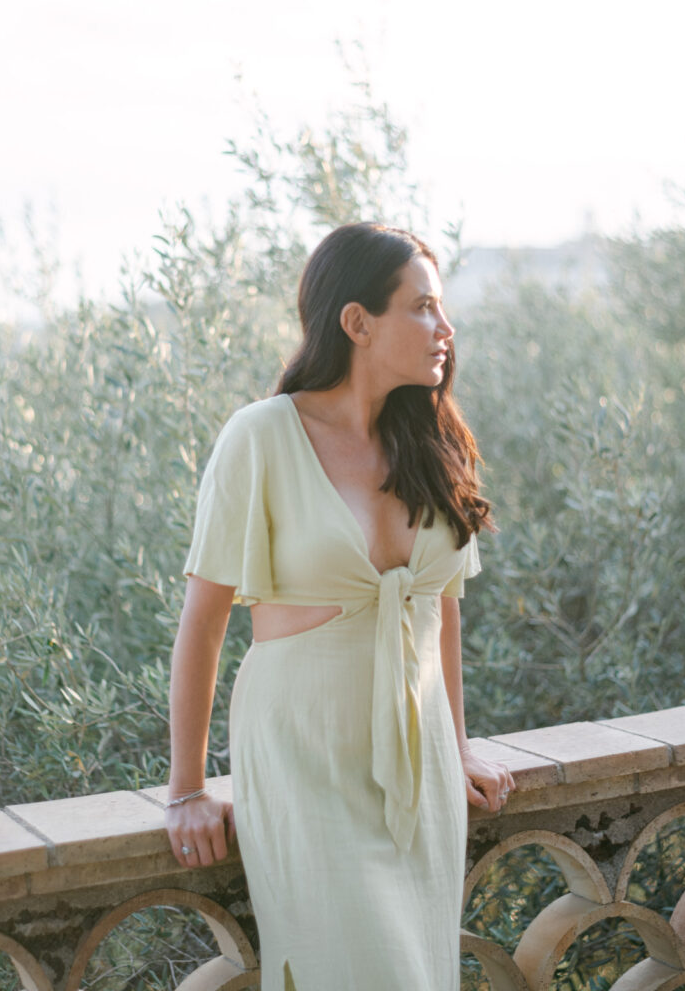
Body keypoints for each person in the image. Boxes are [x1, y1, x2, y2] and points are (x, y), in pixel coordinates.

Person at [165, 222, 515, 990]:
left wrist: (456, 745)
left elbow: (438, 611)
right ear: (357, 322)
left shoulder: (432, 440)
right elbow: (204, 622)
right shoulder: (260, 437)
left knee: (419, 972)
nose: (445, 330)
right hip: (304, 756)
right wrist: (187, 788)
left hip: (419, 763)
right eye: (423, 307)